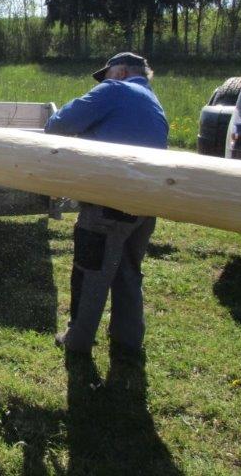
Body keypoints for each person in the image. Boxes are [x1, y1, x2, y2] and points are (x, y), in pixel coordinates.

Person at [44, 52, 169, 356]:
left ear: (122, 71)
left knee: (91, 270)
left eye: (107, 74)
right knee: (128, 270)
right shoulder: (154, 104)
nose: (104, 82)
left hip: (109, 204)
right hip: (146, 207)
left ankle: (79, 340)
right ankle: (128, 339)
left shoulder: (116, 90)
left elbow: (57, 124)